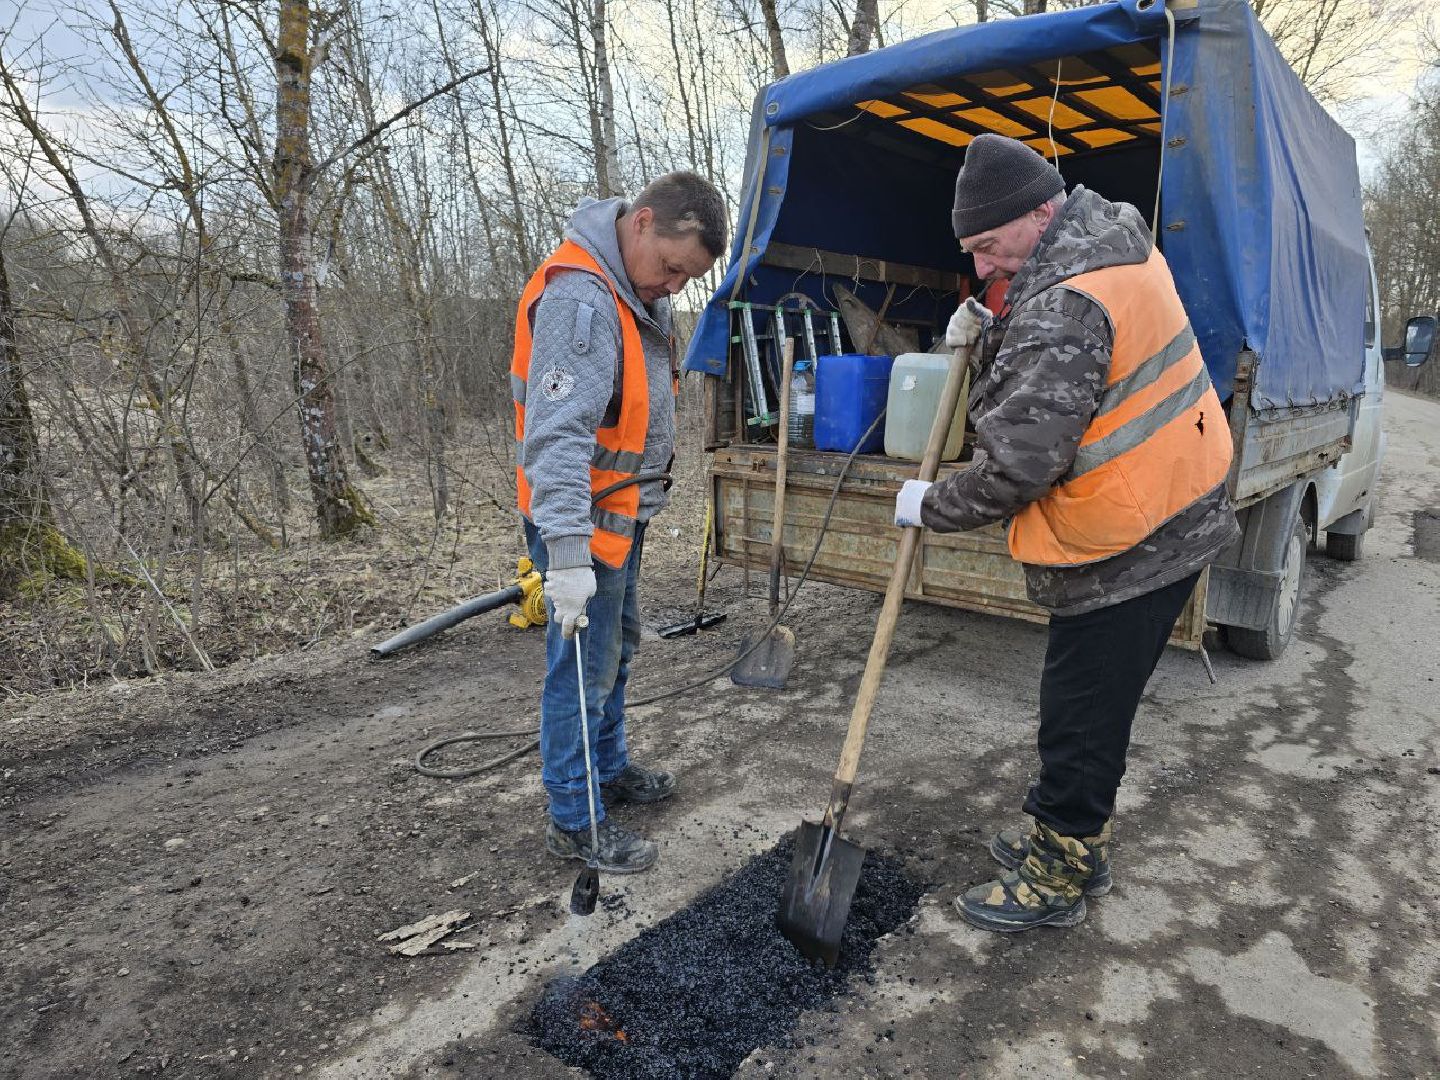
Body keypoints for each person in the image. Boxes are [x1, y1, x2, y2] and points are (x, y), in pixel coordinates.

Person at [894, 134, 1241, 932]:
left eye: (989, 245)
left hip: (1133, 538)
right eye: (973, 251)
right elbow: (1066, 380)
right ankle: (1076, 841)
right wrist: (991, 329)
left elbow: (1018, 465)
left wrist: (927, 504)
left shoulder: (1067, 305)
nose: (981, 264)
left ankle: (1060, 872)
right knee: (1092, 707)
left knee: (1080, 715)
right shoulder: (1112, 241)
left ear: (1040, 214)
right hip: (1172, 503)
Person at [511, 172, 726, 873]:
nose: (674, 286)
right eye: (672, 267)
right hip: (581, 526)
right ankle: (574, 818)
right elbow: (557, 437)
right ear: (642, 223)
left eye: (687, 279)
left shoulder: (635, 293)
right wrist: (568, 556)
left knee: (615, 652)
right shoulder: (581, 299)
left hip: (620, 517)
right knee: (581, 670)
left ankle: (609, 768)